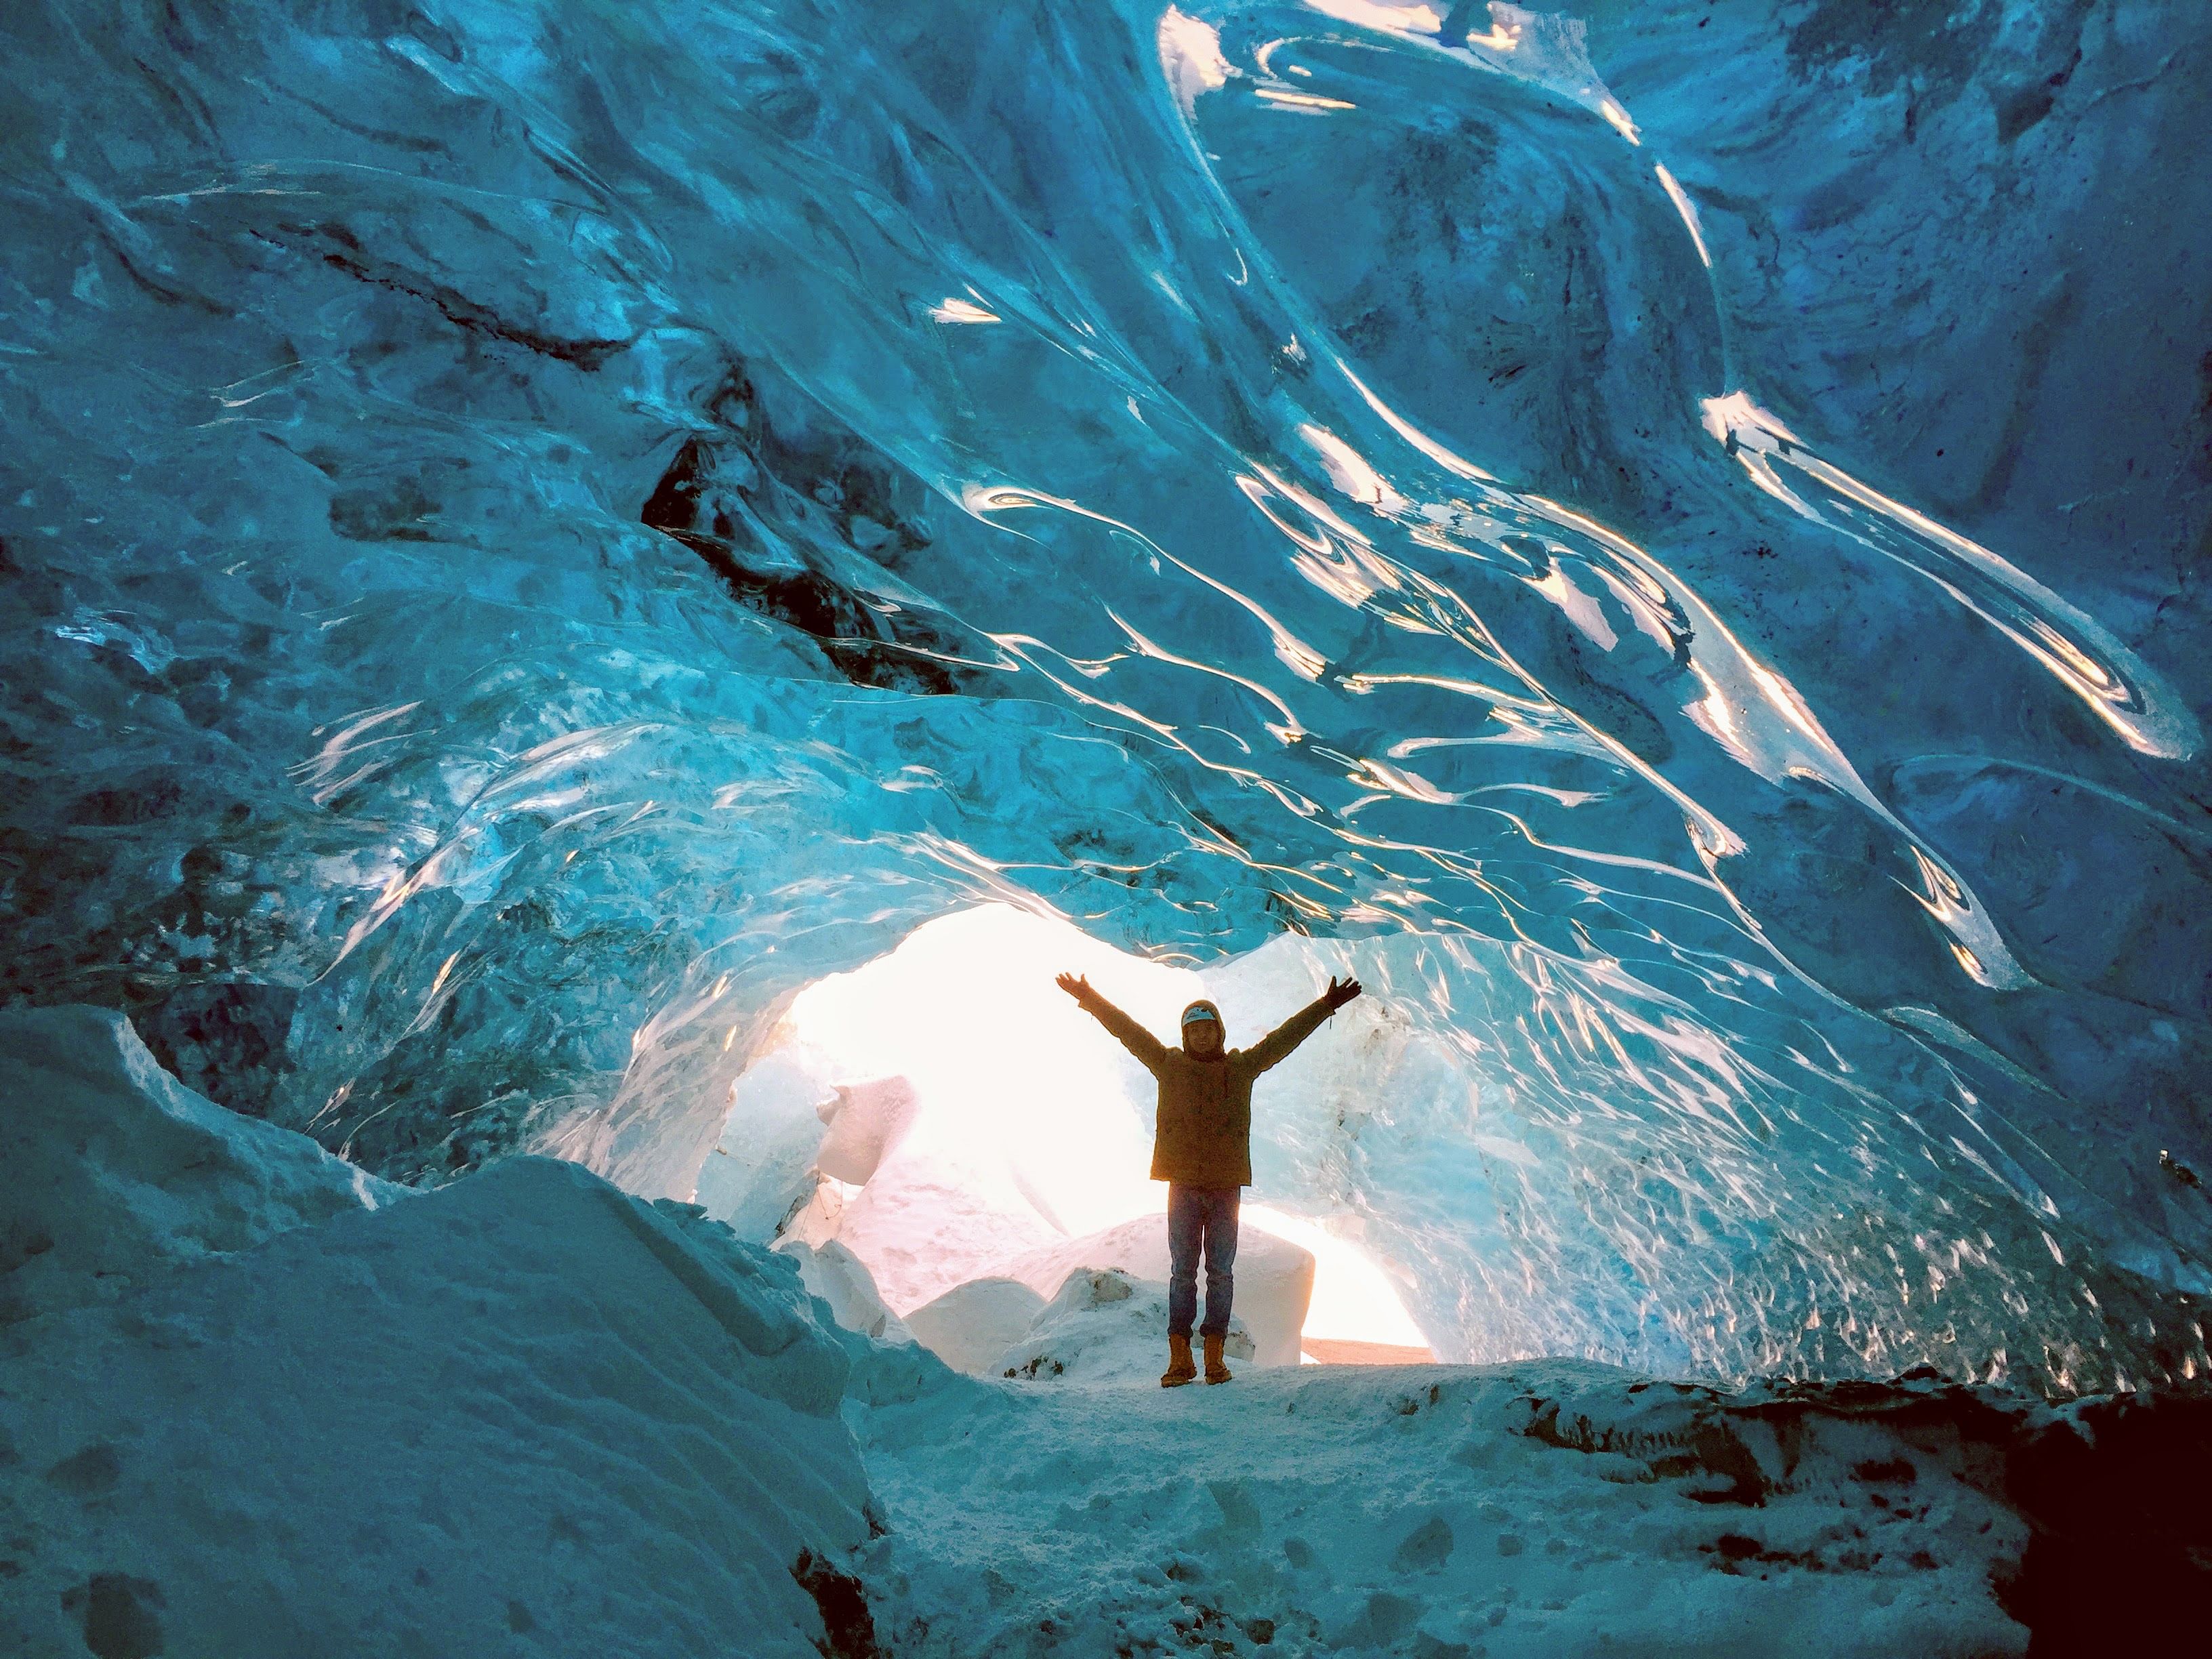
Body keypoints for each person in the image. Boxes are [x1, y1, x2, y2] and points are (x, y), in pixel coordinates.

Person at [1054, 969, 1364, 1387]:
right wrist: (1088, 997)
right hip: (1182, 1184)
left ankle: (1214, 1357)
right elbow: (1126, 1030)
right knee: (1183, 1271)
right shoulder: (1169, 1064)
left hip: (1225, 1186)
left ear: (1219, 1032)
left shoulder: (1241, 1067)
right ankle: (1180, 1359)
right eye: (1194, 1030)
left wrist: (1325, 1005)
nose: (1201, 1036)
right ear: (1186, 1036)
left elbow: (1283, 1040)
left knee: (1220, 1272)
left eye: (1208, 1028)